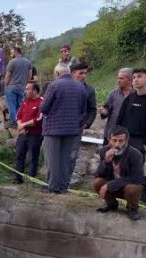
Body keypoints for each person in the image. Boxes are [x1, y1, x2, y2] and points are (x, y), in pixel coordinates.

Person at [40, 63, 86, 194]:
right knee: (66, 160)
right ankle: (63, 187)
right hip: (72, 129)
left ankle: (54, 187)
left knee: (52, 159)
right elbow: (83, 109)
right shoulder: (80, 87)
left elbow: (44, 108)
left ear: (57, 74)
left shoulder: (53, 85)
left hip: (53, 128)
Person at [94, 125, 146, 221]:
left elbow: (136, 178)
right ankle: (111, 204)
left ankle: (132, 208)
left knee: (132, 188)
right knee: (97, 182)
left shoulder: (135, 154)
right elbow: (99, 174)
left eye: (121, 141)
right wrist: (106, 161)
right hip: (114, 185)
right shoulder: (104, 150)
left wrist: (109, 185)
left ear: (126, 141)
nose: (117, 144)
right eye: (114, 140)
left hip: (129, 186)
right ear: (109, 140)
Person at [115, 68, 146, 159]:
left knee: (135, 170)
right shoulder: (130, 98)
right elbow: (119, 118)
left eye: (139, 77)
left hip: (139, 141)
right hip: (123, 139)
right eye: (134, 77)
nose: (136, 79)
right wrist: (116, 136)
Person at [67, 62, 97, 184]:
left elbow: (92, 109)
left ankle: (66, 181)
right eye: (81, 73)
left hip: (77, 128)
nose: (84, 76)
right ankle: (54, 179)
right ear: (73, 74)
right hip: (61, 127)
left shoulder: (89, 90)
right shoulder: (65, 87)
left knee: (72, 156)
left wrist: (86, 124)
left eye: (85, 73)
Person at [13, 81, 43, 184]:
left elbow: (38, 119)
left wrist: (24, 125)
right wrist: (20, 124)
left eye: (28, 89)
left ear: (34, 90)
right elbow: (18, 115)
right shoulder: (25, 102)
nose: (25, 91)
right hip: (23, 134)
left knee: (33, 156)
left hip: (35, 134)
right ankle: (18, 178)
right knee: (19, 155)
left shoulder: (41, 102)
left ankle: (31, 179)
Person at [99, 68, 133, 144]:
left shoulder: (136, 95)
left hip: (128, 136)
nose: (118, 80)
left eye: (121, 78)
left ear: (130, 80)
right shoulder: (113, 94)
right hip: (112, 135)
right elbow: (106, 110)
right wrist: (103, 111)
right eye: (118, 78)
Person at [3, 46, 32, 127]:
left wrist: (6, 85)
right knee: (20, 105)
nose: (11, 53)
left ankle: (13, 123)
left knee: (11, 105)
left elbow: (7, 75)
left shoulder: (12, 62)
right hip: (22, 87)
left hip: (11, 87)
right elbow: (30, 75)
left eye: (12, 51)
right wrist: (26, 84)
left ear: (16, 51)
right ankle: (20, 120)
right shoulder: (28, 62)